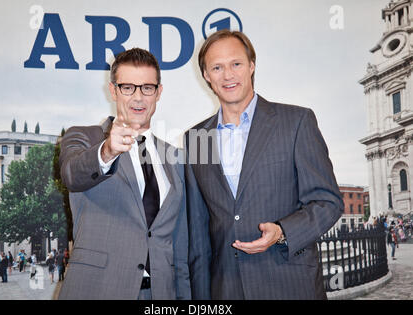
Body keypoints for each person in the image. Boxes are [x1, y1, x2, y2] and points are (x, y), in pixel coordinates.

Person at [185, 30, 344, 300]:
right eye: (217, 67)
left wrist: (283, 232)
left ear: (251, 66)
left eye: (236, 64)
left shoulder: (296, 122)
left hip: (289, 284)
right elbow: (199, 231)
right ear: (206, 75)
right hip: (226, 290)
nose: (228, 75)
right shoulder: (195, 138)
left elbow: (328, 202)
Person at [57, 48, 190, 300]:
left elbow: (179, 241)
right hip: (98, 290)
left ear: (159, 92)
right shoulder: (85, 137)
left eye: (147, 88)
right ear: (113, 90)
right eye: (128, 87)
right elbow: (72, 175)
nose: (138, 98)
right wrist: (107, 151)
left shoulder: (178, 158)